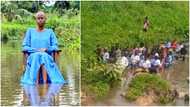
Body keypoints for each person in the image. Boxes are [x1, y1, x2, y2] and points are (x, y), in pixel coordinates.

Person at [20, 11, 66, 85]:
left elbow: (55, 46)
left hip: (47, 56)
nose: (40, 20)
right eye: (38, 18)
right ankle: (36, 82)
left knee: (43, 56)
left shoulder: (50, 32)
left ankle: (44, 84)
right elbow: (25, 46)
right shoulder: (30, 31)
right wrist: (35, 50)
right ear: (36, 20)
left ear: (45, 19)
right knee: (37, 55)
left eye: (42, 18)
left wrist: (47, 49)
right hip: (33, 56)